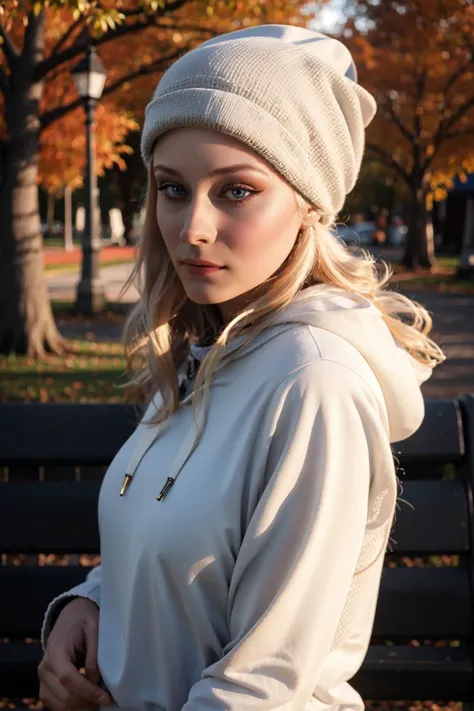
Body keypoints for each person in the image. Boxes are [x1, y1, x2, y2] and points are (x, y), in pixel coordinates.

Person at [38, 24, 445, 711]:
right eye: (173, 187)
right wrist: (91, 602)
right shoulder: (205, 350)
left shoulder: (315, 385)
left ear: (310, 204)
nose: (191, 226)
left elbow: (259, 690)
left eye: (235, 191)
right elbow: (182, 548)